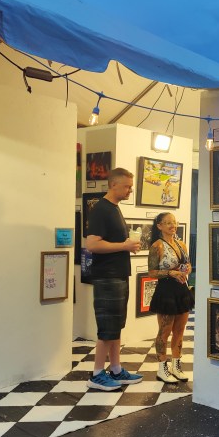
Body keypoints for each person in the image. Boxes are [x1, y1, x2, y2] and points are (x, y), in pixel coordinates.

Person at [85, 167, 144, 390]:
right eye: (127, 186)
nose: (130, 190)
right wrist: (124, 246)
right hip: (107, 277)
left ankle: (116, 369)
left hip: (118, 275)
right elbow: (92, 244)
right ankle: (97, 374)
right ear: (113, 185)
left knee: (116, 325)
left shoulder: (114, 208)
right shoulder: (101, 208)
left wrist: (126, 246)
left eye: (131, 186)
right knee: (107, 327)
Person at [148, 212, 195, 384]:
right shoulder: (157, 246)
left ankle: (176, 365)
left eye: (174, 222)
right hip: (166, 291)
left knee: (180, 331)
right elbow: (152, 272)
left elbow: (188, 264)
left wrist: (187, 269)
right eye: (167, 223)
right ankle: (162, 368)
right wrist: (170, 273)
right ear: (159, 226)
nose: (172, 225)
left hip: (181, 290)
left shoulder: (181, 244)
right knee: (164, 331)